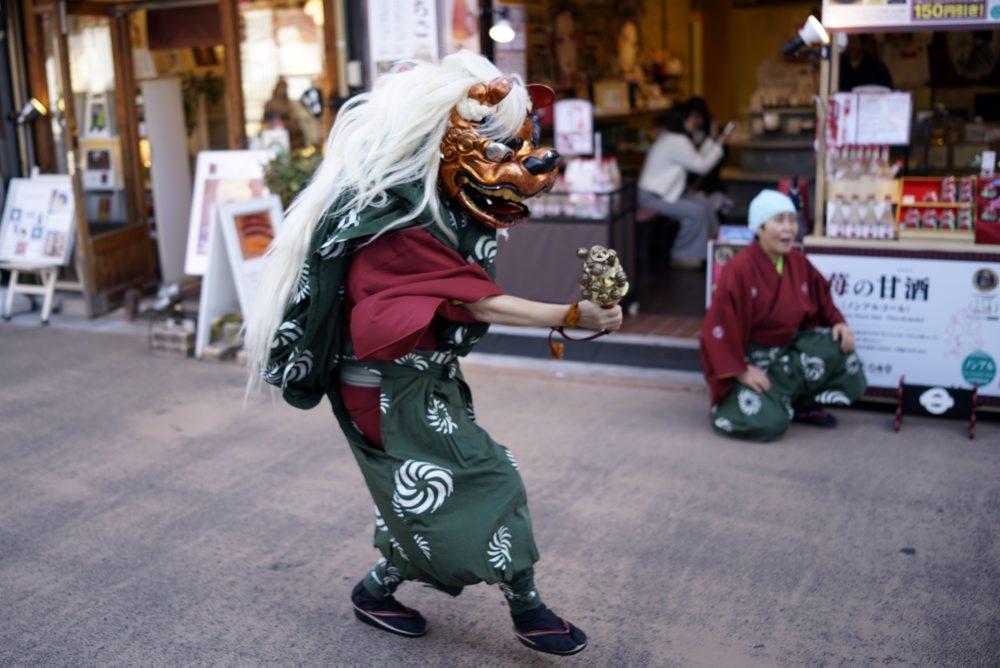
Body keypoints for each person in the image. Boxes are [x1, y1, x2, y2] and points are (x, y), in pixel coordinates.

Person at [244, 51, 621, 656]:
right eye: (496, 150)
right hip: (385, 389)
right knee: (493, 477)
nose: (517, 166)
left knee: (425, 490)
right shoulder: (396, 223)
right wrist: (570, 315)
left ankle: (375, 591)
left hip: (416, 385)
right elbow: (480, 304)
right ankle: (528, 609)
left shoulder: (425, 210)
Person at [699, 190, 867, 442]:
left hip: (787, 355)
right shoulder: (739, 268)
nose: (788, 228)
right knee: (770, 425)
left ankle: (794, 402)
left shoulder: (797, 262)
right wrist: (740, 370)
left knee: (841, 351)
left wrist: (839, 322)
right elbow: (717, 328)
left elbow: (822, 299)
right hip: (752, 360)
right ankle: (745, 405)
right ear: (760, 227)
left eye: (792, 220)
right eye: (779, 220)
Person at [637, 103, 727, 268]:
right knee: (696, 211)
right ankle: (683, 255)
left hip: (663, 194)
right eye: (692, 118)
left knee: (703, 202)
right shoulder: (676, 141)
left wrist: (713, 140)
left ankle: (711, 244)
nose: (696, 122)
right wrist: (718, 144)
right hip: (653, 197)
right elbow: (702, 166)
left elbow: (697, 159)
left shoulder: (673, 138)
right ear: (683, 120)